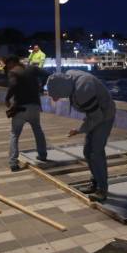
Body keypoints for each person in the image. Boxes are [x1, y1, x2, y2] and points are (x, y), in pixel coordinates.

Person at [47, 70, 116, 202]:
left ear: (63, 88)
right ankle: (95, 182)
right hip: (94, 116)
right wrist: (82, 128)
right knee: (87, 151)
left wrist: (79, 130)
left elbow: (97, 117)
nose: (59, 98)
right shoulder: (69, 78)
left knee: (96, 152)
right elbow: (92, 115)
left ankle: (102, 189)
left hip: (105, 117)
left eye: (58, 96)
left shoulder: (83, 89)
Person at [4, 56, 50, 172]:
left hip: (20, 107)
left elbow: (13, 85)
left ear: (12, 62)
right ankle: (43, 155)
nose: (7, 68)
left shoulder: (14, 72)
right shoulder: (32, 68)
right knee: (38, 130)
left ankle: (13, 163)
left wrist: (7, 98)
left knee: (14, 134)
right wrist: (40, 86)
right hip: (34, 106)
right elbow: (47, 74)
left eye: (7, 65)